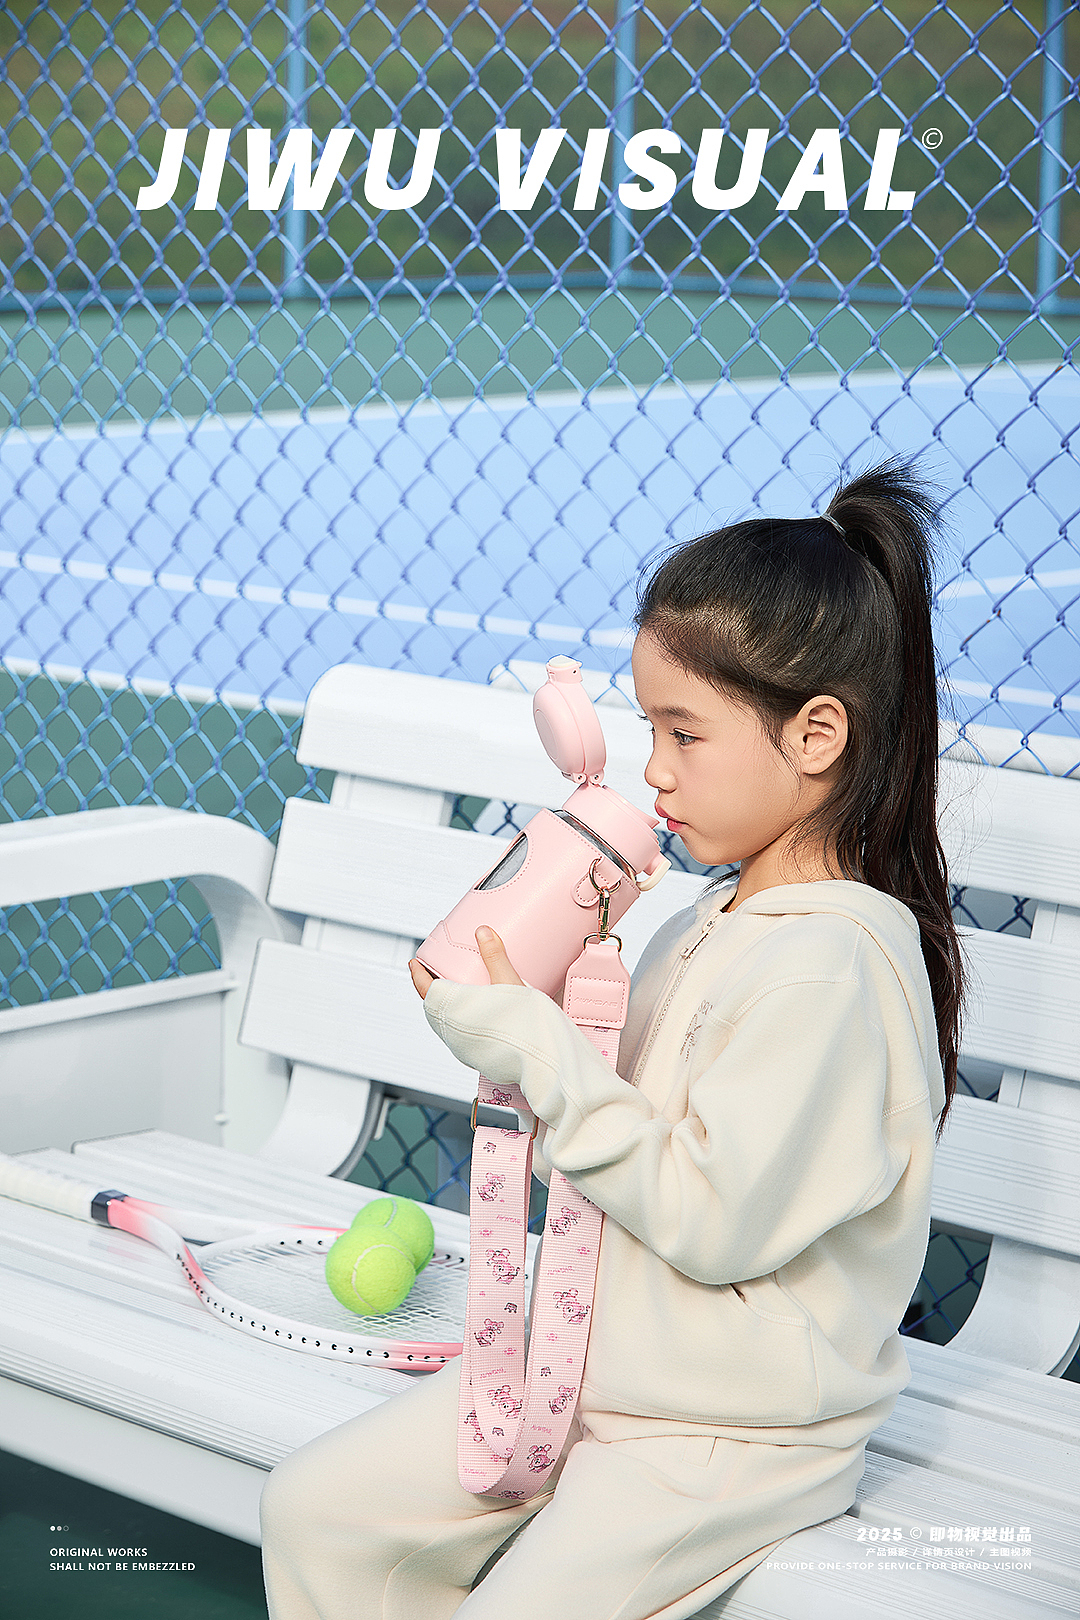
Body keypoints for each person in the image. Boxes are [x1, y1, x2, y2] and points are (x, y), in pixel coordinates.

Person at [260, 457, 964, 1620]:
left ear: (817, 734)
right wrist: (522, 1019)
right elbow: (613, 1136)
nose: (653, 769)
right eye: (648, 727)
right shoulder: (709, 915)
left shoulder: (830, 965)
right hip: (589, 1365)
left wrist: (541, 1048)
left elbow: (709, 1215)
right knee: (316, 1513)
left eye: (685, 732)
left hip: (730, 1429)